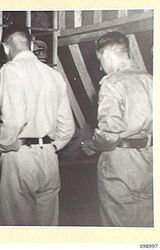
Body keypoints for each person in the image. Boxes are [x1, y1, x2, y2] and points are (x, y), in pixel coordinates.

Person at [0, 25, 75, 225]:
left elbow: (13, 121)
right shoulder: (54, 75)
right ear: (31, 44)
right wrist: (51, 147)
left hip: (19, 156)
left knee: (15, 231)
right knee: (46, 229)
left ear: (5, 47)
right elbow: (67, 128)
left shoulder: (11, 69)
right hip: (49, 159)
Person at [81, 31, 153, 227]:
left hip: (121, 163)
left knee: (118, 226)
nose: (100, 67)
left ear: (107, 55)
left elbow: (109, 134)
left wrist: (92, 145)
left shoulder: (112, 83)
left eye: (100, 60)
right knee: (146, 224)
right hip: (150, 160)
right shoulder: (151, 80)